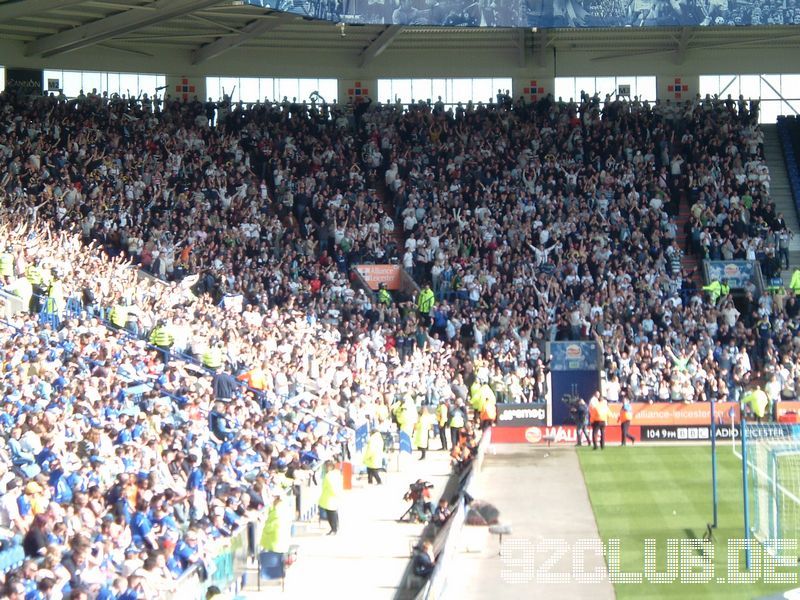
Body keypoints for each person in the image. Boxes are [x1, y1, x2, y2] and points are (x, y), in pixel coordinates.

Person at [319, 461, 343, 535]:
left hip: (329, 497)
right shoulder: (337, 473)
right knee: (334, 514)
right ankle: (335, 527)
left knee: (331, 515)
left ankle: (334, 529)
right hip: (333, 497)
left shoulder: (328, 476)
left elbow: (331, 486)